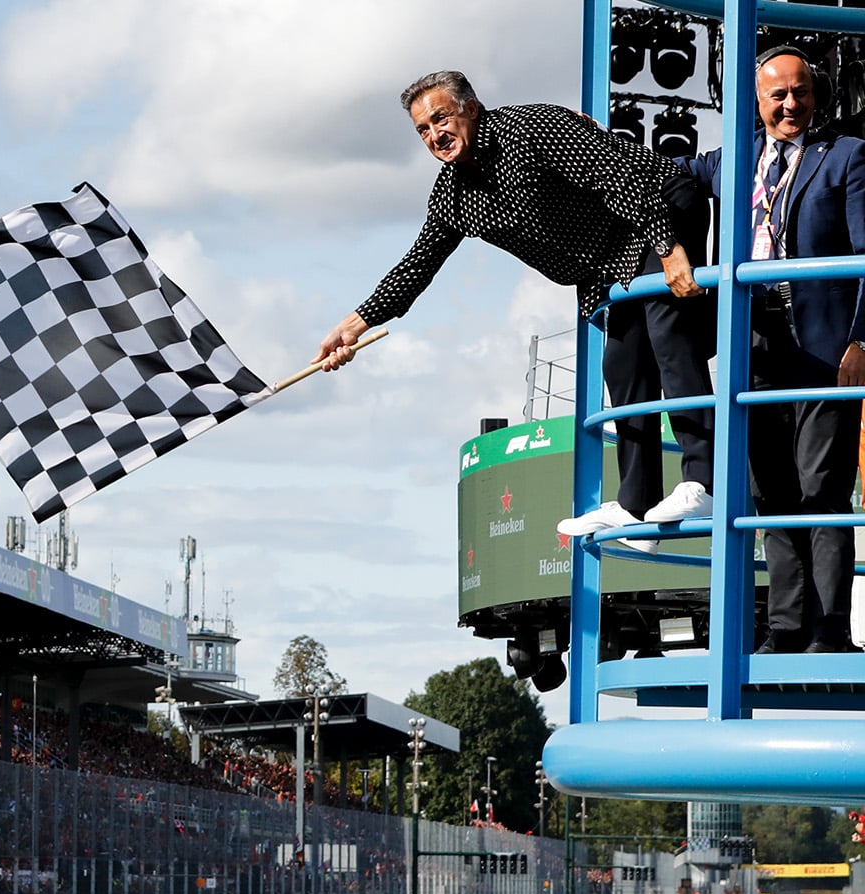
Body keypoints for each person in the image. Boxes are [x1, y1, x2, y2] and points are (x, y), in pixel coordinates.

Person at [320, 70, 716, 548]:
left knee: (667, 332)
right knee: (622, 363)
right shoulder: (452, 195)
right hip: (610, 253)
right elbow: (418, 264)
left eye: (441, 118)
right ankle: (636, 506)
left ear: (470, 108)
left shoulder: (530, 128)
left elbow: (620, 178)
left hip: (658, 207)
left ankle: (705, 482)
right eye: (423, 129)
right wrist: (353, 325)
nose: (435, 135)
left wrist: (668, 246)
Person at [684, 47, 865, 652]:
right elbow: (660, 170)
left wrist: (861, 339)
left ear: (817, 94)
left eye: (801, 92)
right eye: (778, 95)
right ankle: (786, 627)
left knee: (822, 487)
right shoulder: (732, 161)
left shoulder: (846, 155)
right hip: (753, 341)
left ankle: (829, 630)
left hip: (824, 347)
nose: (791, 104)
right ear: (756, 102)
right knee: (770, 491)